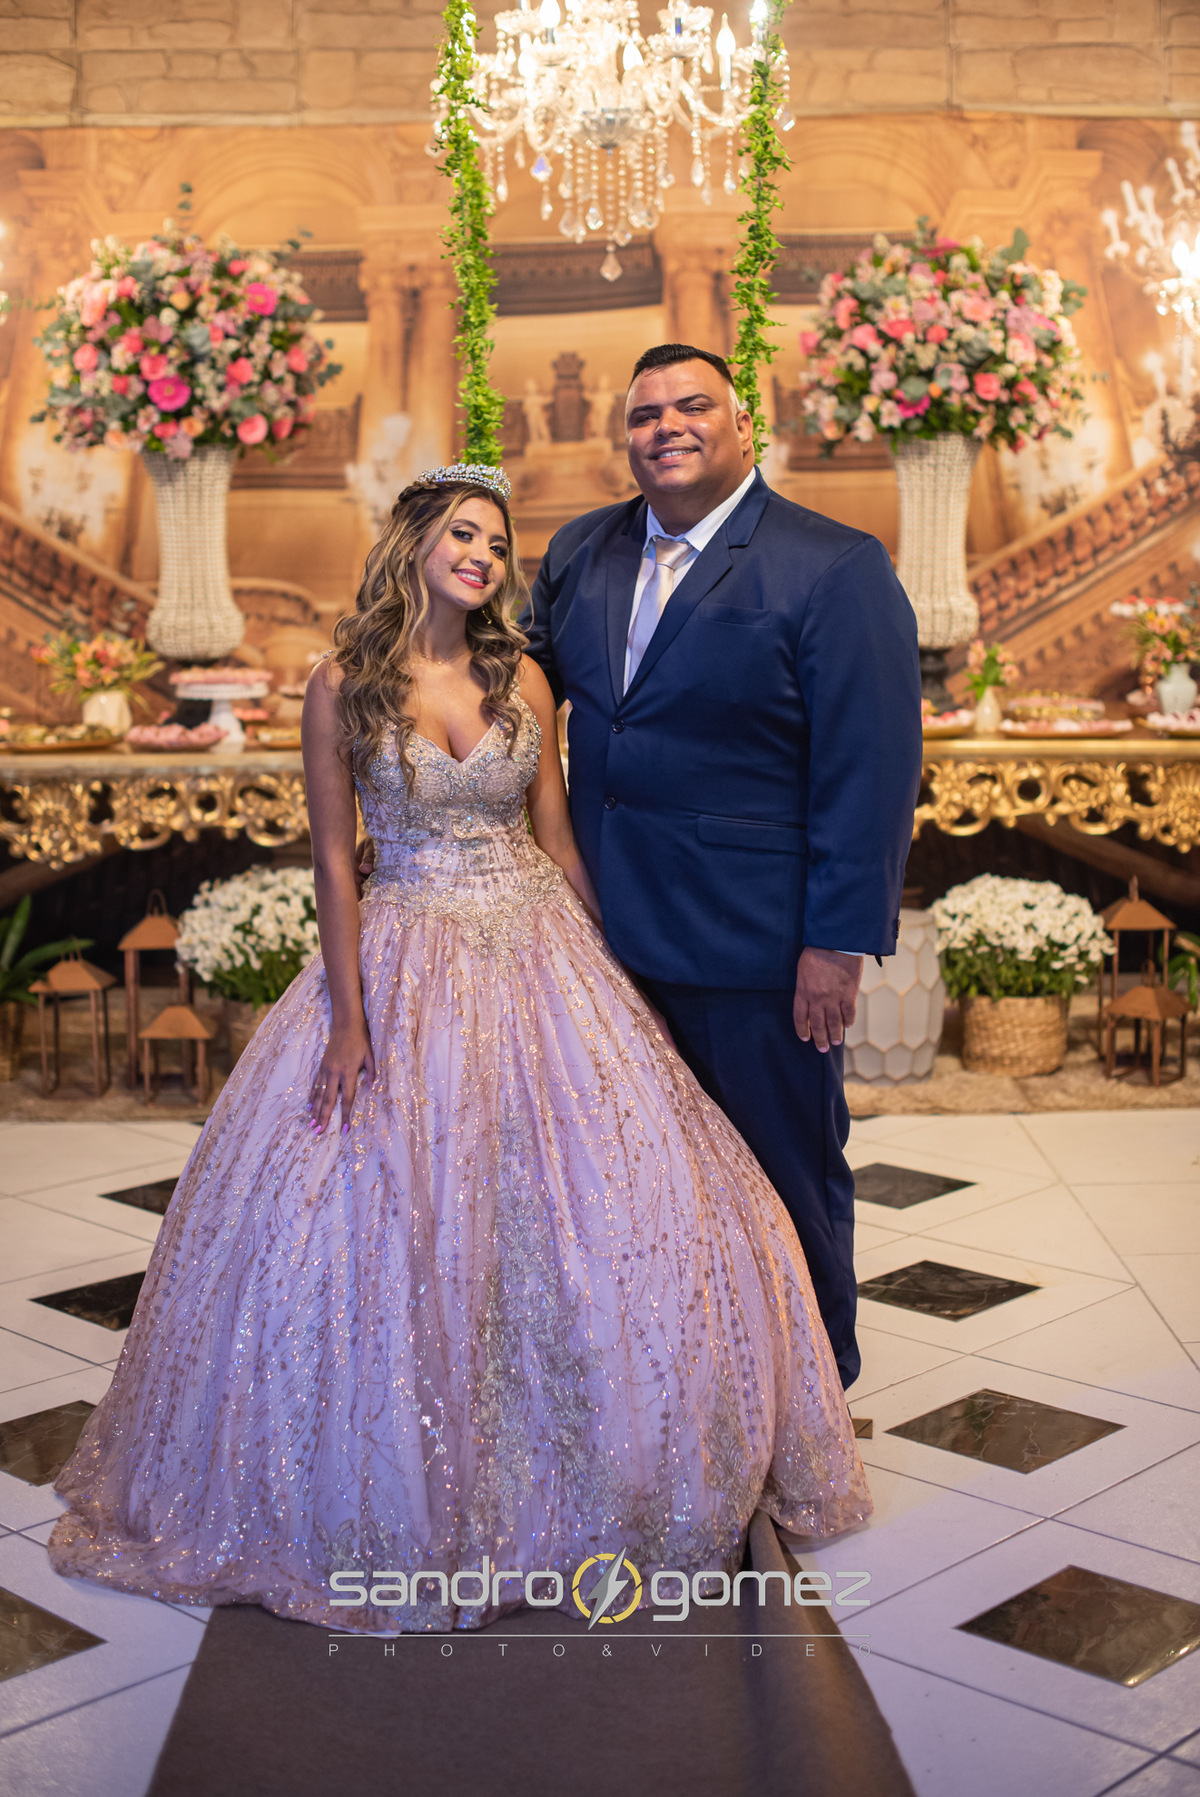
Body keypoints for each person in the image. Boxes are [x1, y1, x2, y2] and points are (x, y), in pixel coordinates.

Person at [46, 464, 870, 1636]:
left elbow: (560, 839)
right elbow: (336, 865)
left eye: (495, 543)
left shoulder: (520, 675)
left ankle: (622, 1460)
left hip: (538, 944)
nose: (482, 556)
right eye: (463, 535)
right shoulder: (344, 684)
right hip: (408, 946)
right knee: (395, 1210)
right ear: (414, 545)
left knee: (619, 1199)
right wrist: (348, 1019)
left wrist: (617, 972)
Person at [522, 344, 923, 1390]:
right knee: (643, 1185)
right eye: (644, 413)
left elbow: (871, 769)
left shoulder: (833, 565)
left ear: (745, 424)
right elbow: (514, 680)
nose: (666, 426)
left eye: (691, 405)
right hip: (601, 934)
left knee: (784, 1178)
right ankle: (689, 1401)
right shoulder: (580, 550)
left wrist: (836, 944)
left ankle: (815, 1397)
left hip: (754, 945)